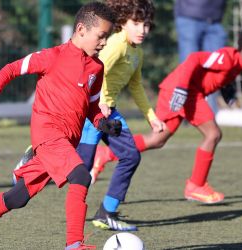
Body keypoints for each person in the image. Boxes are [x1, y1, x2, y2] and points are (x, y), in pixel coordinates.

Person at [0, 2, 119, 250]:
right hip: (48, 135)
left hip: (65, 143)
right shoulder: (52, 56)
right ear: (81, 29)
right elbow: (12, 69)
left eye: (107, 37)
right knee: (80, 176)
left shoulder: (97, 68)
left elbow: (92, 107)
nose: (104, 43)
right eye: (101, 36)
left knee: (17, 198)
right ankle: (74, 244)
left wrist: (103, 124)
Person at [12, 0, 164, 232]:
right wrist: (98, 103)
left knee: (130, 156)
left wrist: (150, 116)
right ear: (123, 23)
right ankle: (32, 163)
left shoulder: (136, 53)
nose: (143, 30)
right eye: (137, 24)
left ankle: (106, 213)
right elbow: (92, 72)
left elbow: (136, 86)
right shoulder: (114, 45)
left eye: (147, 25)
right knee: (78, 169)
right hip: (93, 112)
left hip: (109, 112)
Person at [92, 27, 242, 204]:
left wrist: (226, 87)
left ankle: (106, 153)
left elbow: (215, 74)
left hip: (181, 91)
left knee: (157, 140)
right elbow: (195, 59)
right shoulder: (227, 58)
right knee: (213, 134)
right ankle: (196, 186)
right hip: (184, 92)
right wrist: (182, 89)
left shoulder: (237, 64)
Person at [174, 0, 229, 114]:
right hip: (189, 15)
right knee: (188, 70)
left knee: (215, 71)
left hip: (215, 18)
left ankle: (209, 117)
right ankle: (182, 113)